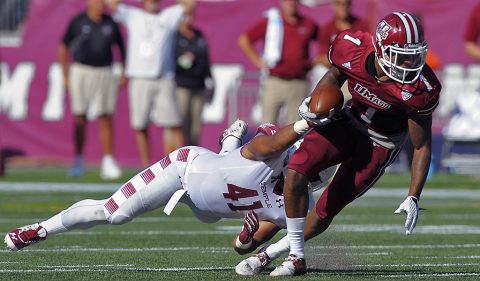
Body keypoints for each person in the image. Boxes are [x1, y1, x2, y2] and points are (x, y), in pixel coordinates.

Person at [235, 12, 442, 276]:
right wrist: (314, 102)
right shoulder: (351, 48)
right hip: (347, 121)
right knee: (297, 168)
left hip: (380, 145)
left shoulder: (420, 90)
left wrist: (414, 194)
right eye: (401, 54)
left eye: (414, 54)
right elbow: (335, 75)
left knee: (326, 208)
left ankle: (268, 254)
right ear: (379, 48)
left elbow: (422, 145)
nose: (410, 63)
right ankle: (296, 256)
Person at [4, 119, 337, 255]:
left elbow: (241, 248)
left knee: (223, 178)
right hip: (184, 171)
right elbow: (272, 142)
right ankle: (40, 229)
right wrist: (306, 119)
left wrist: (247, 236)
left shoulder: (296, 204)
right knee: (115, 213)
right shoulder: (269, 155)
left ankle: (228, 143)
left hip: (213, 207)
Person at [105, 0, 194, 167]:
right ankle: (146, 167)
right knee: (140, 125)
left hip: (163, 78)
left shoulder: (168, 16)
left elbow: (189, 5)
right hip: (139, 77)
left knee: (174, 123)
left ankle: (179, 167)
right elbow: (111, 3)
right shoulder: (133, 14)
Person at [59, 0, 126, 180]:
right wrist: (65, 75)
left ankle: (108, 160)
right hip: (81, 70)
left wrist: (124, 71)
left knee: (106, 116)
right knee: (80, 116)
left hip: (105, 70)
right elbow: (64, 46)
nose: (100, 4)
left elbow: (121, 47)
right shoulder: (78, 21)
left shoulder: (110, 23)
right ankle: (78, 160)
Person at [238, 0, 321, 126]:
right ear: (281, 2)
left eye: (294, 1)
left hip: (298, 83)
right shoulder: (272, 22)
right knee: (267, 126)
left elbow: (324, 40)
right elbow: (244, 40)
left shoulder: (307, 24)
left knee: (295, 129)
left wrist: (316, 60)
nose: (291, 4)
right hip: (274, 81)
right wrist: (257, 61)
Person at [174, 9, 213, 146]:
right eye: (186, 15)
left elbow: (206, 60)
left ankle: (192, 156)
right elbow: (173, 62)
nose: (190, 18)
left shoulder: (198, 35)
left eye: (191, 14)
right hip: (182, 86)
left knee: (195, 126)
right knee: (181, 123)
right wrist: (185, 60)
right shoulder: (176, 36)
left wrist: (210, 80)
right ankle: (178, 156)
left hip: (199, 86)